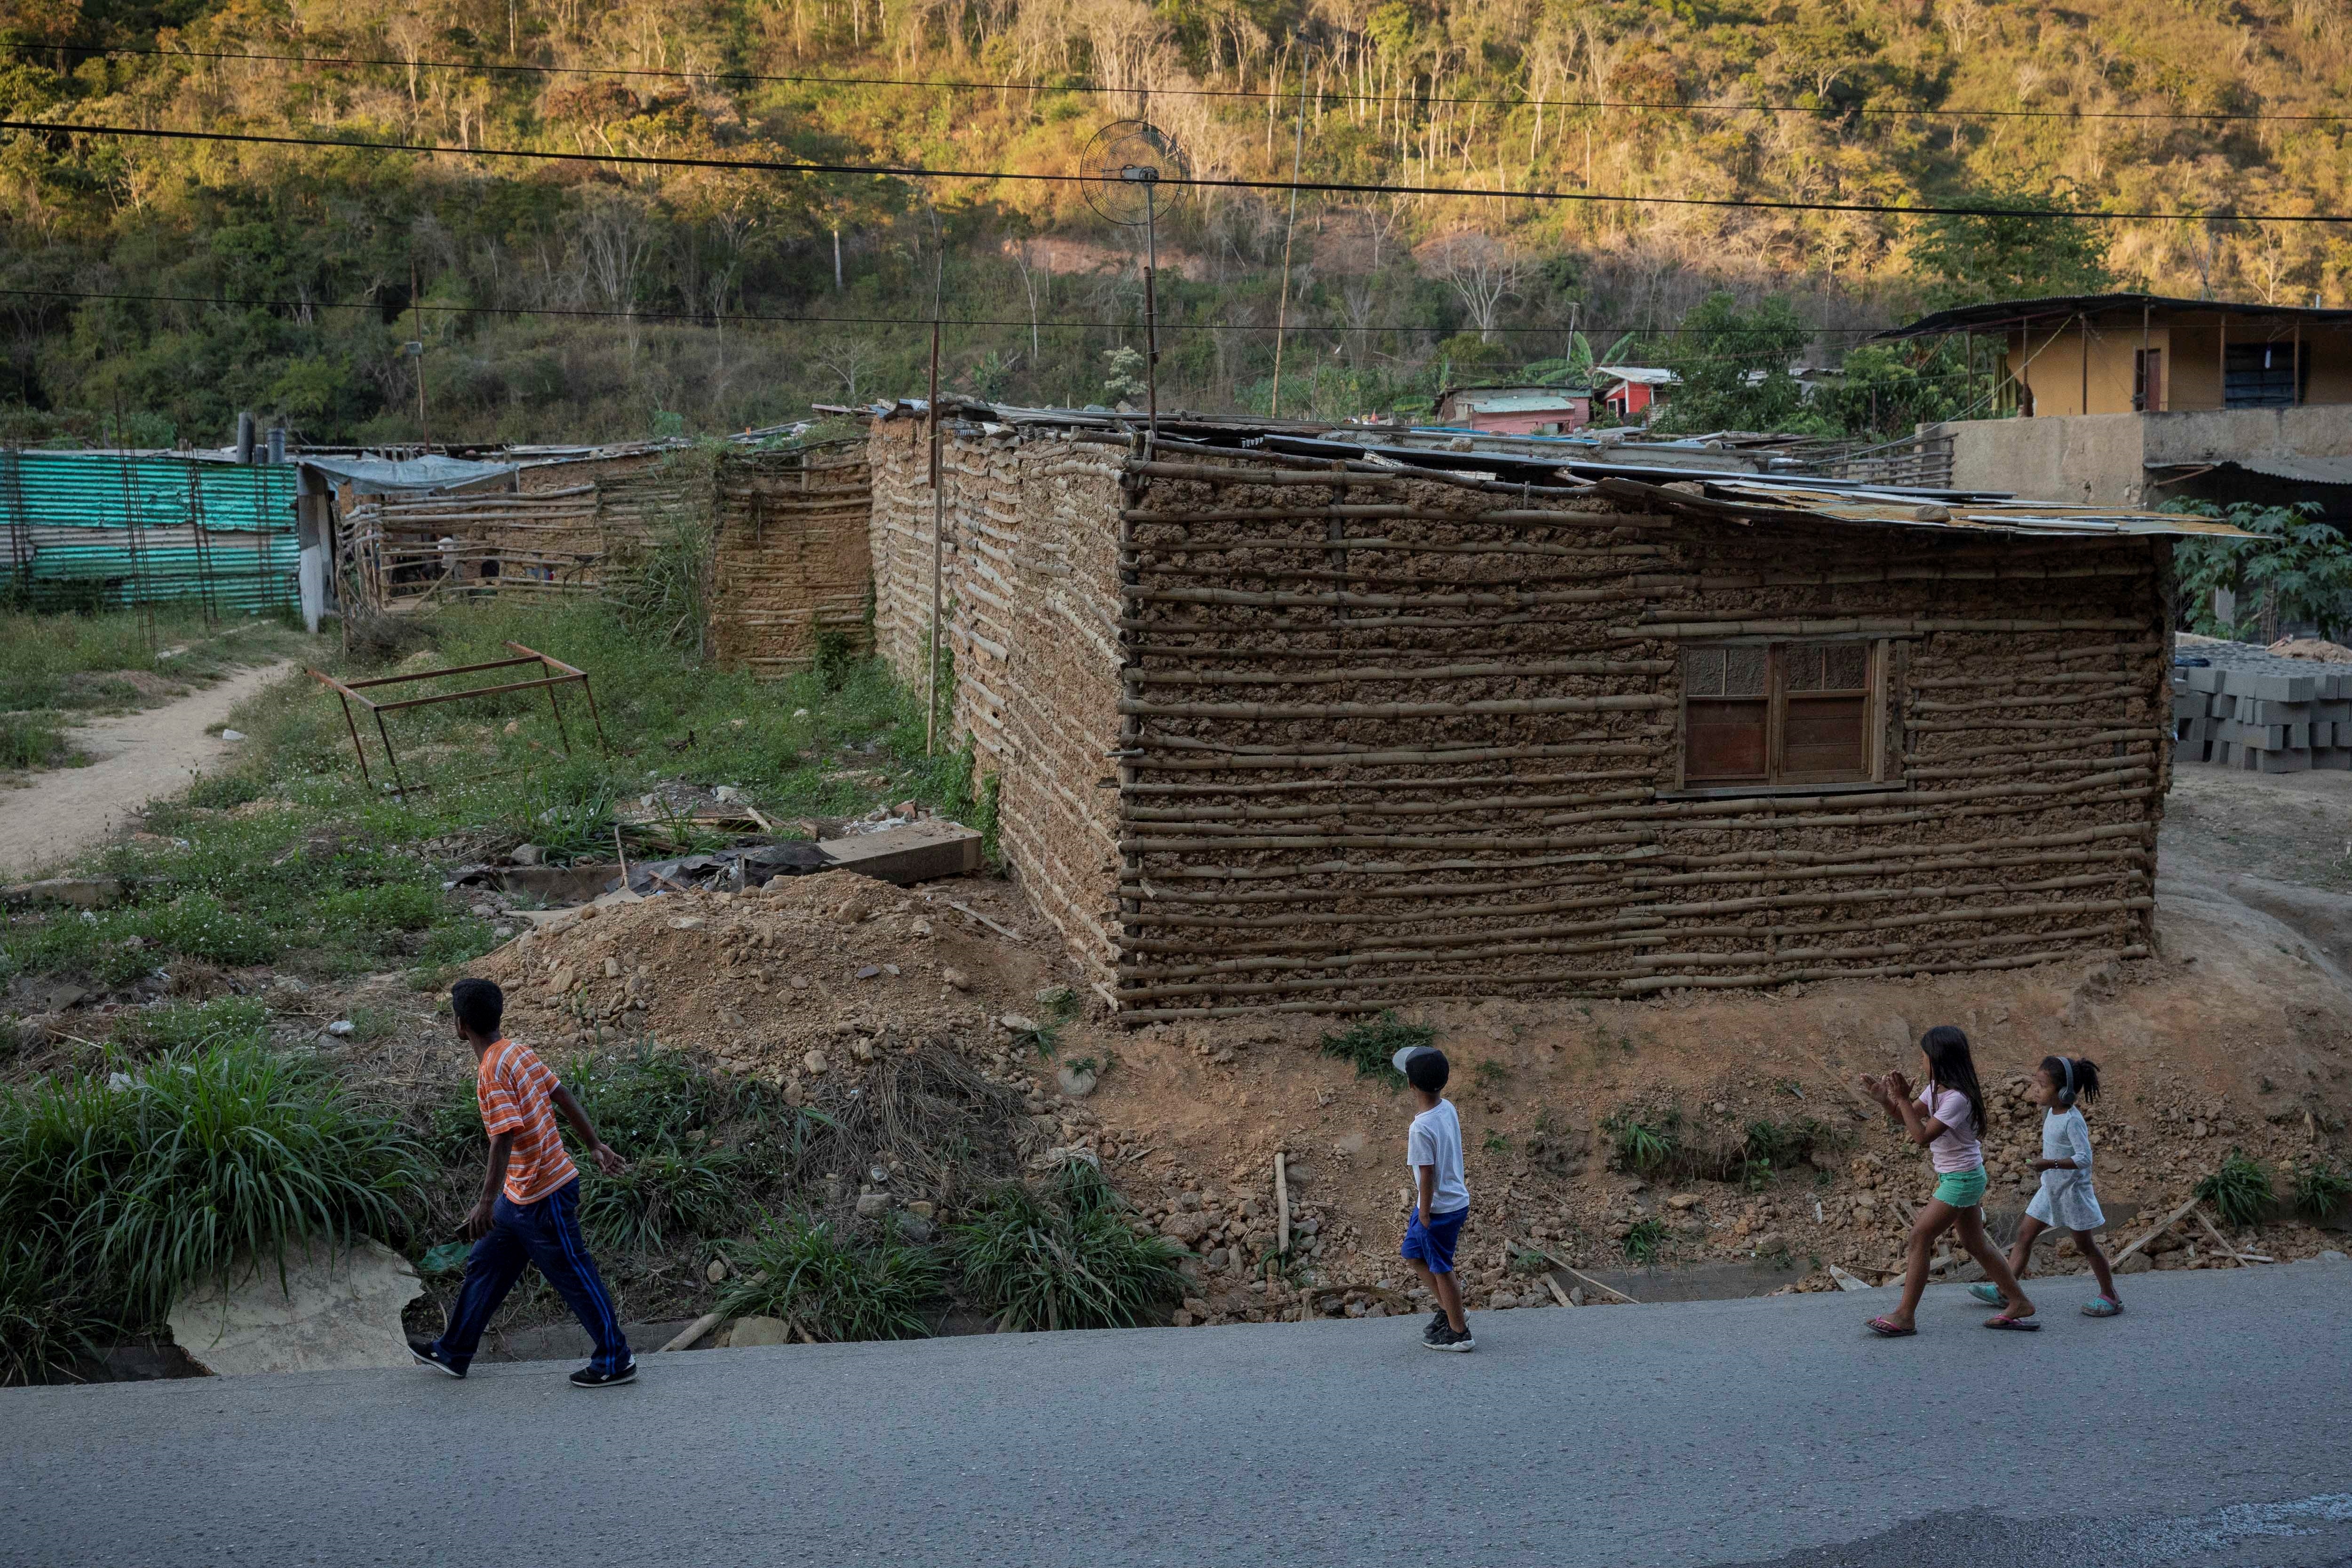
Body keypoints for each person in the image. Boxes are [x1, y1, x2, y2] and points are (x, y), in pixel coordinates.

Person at [409, 978, 638, 1387]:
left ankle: (616, 1358)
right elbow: (562, 1093)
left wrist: (484, 1202)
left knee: (574, 1274)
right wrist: (594, 1143)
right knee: (485, 1263)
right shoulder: (518, 1051)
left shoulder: (491, 1071)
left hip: (544, 1193)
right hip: (519, 1196)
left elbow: (503, 1136)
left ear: (460, 1024)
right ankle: (454, 1350)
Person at [1858, 1025, 2039, 1336]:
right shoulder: (1935, 1089)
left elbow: (1921, 1137)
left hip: (1962, 1178)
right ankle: (2019, 1301)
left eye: (1925, 1056)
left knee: (1920, 1236)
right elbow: (1907, 1118)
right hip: (1959, 1175)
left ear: (1940, 1059)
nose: (1922, 1061)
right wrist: (1887, 1101)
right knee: (1976, 1244)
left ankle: (1905, 1315)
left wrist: (1901, 1097)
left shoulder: (1958, 1098)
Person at [1973, 1056, 2122, 1318]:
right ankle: (2005, 1291)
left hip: (2072, 1192)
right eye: (2035, 1082)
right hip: (2050, 1188)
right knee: (2024, 1235)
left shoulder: (2072, 1120)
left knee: (2085, 1246)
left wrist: (2050, 1163)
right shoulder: (2052, 1111)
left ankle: (2110, 1296)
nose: (2035, 1088)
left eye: (2042, 1084)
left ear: (2063, 1092)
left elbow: (2085, 1158)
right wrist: (2048, 1167)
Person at [1395, 1043, 1475, 1353]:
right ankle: (1450, 1308)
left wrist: (1425, 1214)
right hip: (1441, 1204)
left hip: (1438, 1208)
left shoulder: (1420, 1128)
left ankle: (1459, 1332)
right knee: (1413, 1254)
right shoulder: (1448, 1108)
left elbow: (1426, 1175)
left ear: (1411, 1084)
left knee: (1441, 1266)